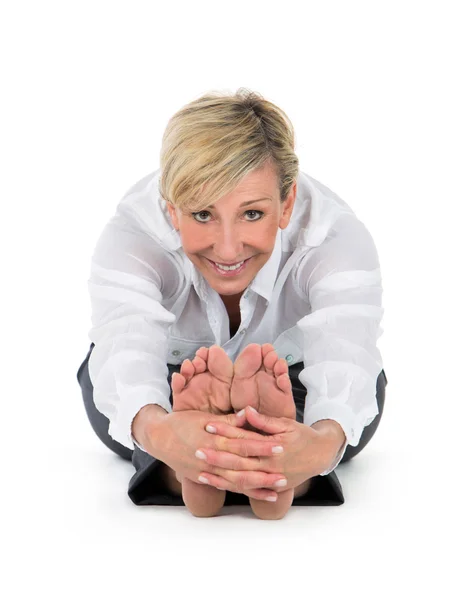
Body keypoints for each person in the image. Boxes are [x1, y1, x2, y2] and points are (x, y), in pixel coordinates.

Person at [76, 88, 388, 519]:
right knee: (115, 402)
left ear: (287, 203)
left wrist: (321, 441)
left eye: (253, 214)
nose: (227, 249)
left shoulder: (335, 238)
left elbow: (346, 352)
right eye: (202, 214)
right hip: (169, 376)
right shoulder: (134, 233)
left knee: (352, 412)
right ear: (171, 210)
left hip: (295, 376)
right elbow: (124, 346)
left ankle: (193, 472)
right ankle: (259, 476)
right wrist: (160, 429)